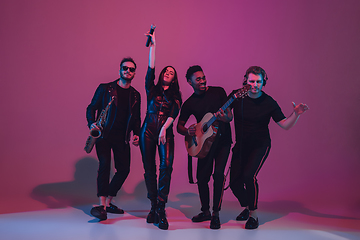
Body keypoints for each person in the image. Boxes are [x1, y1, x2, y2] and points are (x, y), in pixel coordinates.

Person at [228, 66, 309, 229]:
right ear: (246, 80)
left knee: (248, 176)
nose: (255, 85)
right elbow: (228, 115)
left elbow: (285, 125)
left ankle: (253, 215)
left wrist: (296, 114)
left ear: (264, 81)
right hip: (241, 145)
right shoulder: (237, 96)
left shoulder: (269, 102)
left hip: (260, 145)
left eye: (258, 81)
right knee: (234, 183)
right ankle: (246, 206)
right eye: (251, 81)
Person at [177, 65, 233, 229]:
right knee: (202, 178)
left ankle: (216, 213)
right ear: (190, 82)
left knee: (218, 175)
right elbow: (179, 126)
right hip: (204, 144)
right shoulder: (189, 103)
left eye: (203, 77)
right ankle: (205, 211)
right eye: (198, 79)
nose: (202, 81)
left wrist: (225, 118)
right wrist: (188, 130)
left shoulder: (219, 92)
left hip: (223, 141)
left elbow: (229, 116)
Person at [86, 57, 141, 221]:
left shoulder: (136, 95)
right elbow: (91, 107)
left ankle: (108, 202)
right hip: (103, 135)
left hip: (122, 138)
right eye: (125, 68)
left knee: (124, 170)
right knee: (104, 165)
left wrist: (136, 133)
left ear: (134, 74)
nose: (128, 71)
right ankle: (101, 206)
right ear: (120, 70)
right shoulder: (105, 88)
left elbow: (136, 118)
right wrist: (92, 124)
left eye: (131, 69)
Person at [139, 30, 182, 230]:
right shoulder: (151, 89)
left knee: (166, 166)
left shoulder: (176, 95)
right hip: (148, 129)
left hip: (165, 130)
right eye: (166, 71)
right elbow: (151, 68)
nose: (167, 73)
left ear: (174, 79)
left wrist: (164, 128)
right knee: (149, 169)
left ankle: (161, 207)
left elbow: (175, 113)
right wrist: (153, 46)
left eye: (171, 73)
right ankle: (153, 205)